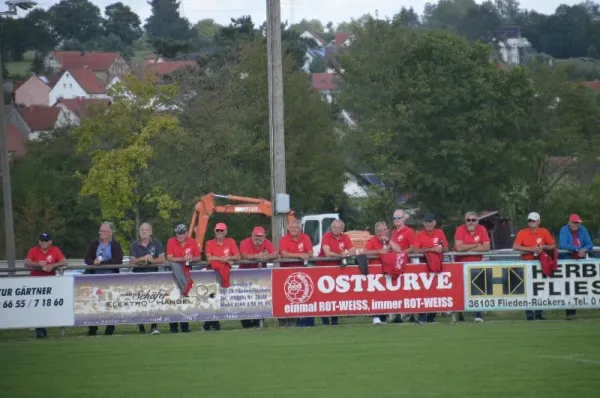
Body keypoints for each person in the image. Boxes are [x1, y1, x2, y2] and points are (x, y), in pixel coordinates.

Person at [24, 232, 68, 338]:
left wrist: (53, 265)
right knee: (38, 306)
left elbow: (64, 262)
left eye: (46, 240)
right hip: (36, 283)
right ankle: (40, 330)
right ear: (39, 241)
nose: (43, 242)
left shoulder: (55, 250)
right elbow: (26, 262)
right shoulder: (34, 250)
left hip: (50, 283)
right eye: (42, 240)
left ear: (50, 242)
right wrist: (38, 264)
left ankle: (50, 326)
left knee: (48, 305)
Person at [513, 212, 555, 321]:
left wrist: (544, 247)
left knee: (540, 288)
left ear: (538, 222)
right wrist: (530, 249)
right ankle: (529, 314)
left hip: (540, 263)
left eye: (533, 220)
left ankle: (539, 312)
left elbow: (552, 245)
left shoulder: (544, 231)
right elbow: (515, 246)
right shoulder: (523, 232)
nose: (531, 223)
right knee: (527, 288)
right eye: (529, 221)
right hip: (526, 262)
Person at [84, 222, 124, 336]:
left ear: (111, 232)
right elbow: (87, 258)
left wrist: (103, 263)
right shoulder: (94, 244)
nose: (102, 233)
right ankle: (92, 328)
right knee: (94, 303)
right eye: (100, 231)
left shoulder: (115, 245)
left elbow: (118, 259)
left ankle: (109, 329)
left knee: (109, 303)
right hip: (95, 278)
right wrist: (93, 262)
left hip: (111, 279)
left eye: (104, 231)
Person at [454, 211, 490, 323]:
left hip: (477, 264)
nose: (471, 222)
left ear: (477, 221)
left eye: (473, 220)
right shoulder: (460, 229)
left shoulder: (482, 229)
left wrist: (467, 249)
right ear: (465, 221)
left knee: (478, 289)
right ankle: (459, 314)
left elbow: (486, 247)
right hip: (461, 265)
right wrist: (475, 245)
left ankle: (479, 314)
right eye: (468, 220)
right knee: (460, 290)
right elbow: (459, 248)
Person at [129, 222, 165, 335]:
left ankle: (154, 327)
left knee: (153, 301)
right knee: (140, 302)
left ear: (151, 232)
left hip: (153, 276)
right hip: (138, 277)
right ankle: (141, 328)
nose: (144, 231)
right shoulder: (134, 245)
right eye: (142, 230)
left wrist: (151, 260)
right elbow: (132, 261)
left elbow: (162, 259)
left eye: (146, 229)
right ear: (139, 232)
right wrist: (143, 258)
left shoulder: (156, 243)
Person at [239, 226, 278, 328]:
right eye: (256, 236)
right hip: (245, 276)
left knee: (261, 299)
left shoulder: (267, 243)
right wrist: (258, 256)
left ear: (264, 236)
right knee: (244, 300)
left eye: (260, 236)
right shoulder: (245, 242)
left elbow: (275, 254)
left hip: (260, 277)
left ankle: (257, 323)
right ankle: (246, 324)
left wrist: (268, 256)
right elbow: (244, 256)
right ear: (252, 235)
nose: (258, 238)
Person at [317, 219, 354, 325]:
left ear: (342, 229)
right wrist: (342, 255)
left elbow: (352, 249)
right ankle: (324, 320)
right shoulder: (326, 236)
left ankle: (334, 320)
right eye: (334, 227)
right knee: (323, 296)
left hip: (338, 270)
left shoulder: (345, 237)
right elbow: (327, 253)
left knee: (336, 296)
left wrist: (346, 253)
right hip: (323, 269)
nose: (336, 229)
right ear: (331, 227)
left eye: (338, 228)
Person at [413, 213, 448, 324]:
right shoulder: (419, 234)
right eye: (427, 221)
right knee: (422, 292)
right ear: (424, 223)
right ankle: (422, 317)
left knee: (435, 292)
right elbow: (416, 250)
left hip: (437, 267)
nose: (429, 223)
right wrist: (432, 249)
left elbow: (446, 248)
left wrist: (440, 248)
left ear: (434, 222)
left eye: (431, 221)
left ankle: (431, 317)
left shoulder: (440, 232)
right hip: (423, 268)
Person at [166, 223, 201, 333]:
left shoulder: (192, 242)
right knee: (172, 299)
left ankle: (185, 326)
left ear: (186, 233)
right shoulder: (171, 241)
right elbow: (169, 257)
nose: (180, 236)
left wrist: (191, 258)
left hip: (186, 273)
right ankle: (173, 327)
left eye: (182, 233)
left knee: (184, 299)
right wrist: (182, 258)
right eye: (178, 234)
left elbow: (198, 257)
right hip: (173, 274)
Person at [204, 222, 239, 331]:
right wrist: (225, 259)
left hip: (224, 274)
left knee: (221, 298)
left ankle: (210, 324)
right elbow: (209, 258)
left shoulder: (231, 241)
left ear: (225, 232)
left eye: (221, 231)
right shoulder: (209, 243)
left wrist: (226, 258)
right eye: (217, 230)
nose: (219, 232)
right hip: (212, 275)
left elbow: (237, 256)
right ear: (214, 231)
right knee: (212, 299)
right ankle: (210, 323)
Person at [279, 219, 313, 326]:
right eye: (292, 228)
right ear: (288, 229)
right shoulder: (284, 239)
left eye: (296, 228)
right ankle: (286, 321)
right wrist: (300, 255)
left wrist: (304, 255)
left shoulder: (305, 237)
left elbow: (310, 253)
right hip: (286, 273)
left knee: (304, 296)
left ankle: (302, 321)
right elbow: (284, 254)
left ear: (300, 229)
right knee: (287, 298)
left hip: (302, 272)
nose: (294, 230)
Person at [558, 213, 592, 320]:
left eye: (577, 223)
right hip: (567, 262)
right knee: (569, 287)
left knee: (586, 285)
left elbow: (589, 244)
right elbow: (563, 245)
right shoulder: (564, 230)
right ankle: (570, 313)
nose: (576, 225)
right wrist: (578, 249)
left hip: (580, 262)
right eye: (574, 223)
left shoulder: (583, 230)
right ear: (569, 222)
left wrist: (584, 249)